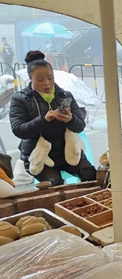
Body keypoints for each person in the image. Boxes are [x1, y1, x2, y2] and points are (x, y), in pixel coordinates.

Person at [9, 51, 96, 186]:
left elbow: (80, 126)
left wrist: (70, 119)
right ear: (30, 78)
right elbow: (19, 130)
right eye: (40, 79)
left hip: (66, 151)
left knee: (91, 174)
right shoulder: (20, 99)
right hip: (38, 154)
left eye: (50, 78)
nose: (47, 83)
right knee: (54, 183)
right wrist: (44, 119)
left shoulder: (64, 95)